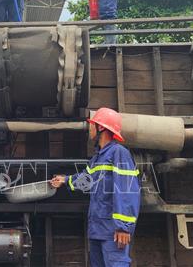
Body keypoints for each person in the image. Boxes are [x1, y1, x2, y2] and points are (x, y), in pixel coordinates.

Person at [51, 107, 140, 266]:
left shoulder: (119, 153)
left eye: (92, 125)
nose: (89, 129)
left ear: (101, 128)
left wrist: (124, 227)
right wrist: (65, 180)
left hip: (113, 231)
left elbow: (127, 190)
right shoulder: (98, 157)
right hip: (97, 229)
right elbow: (86, 179)